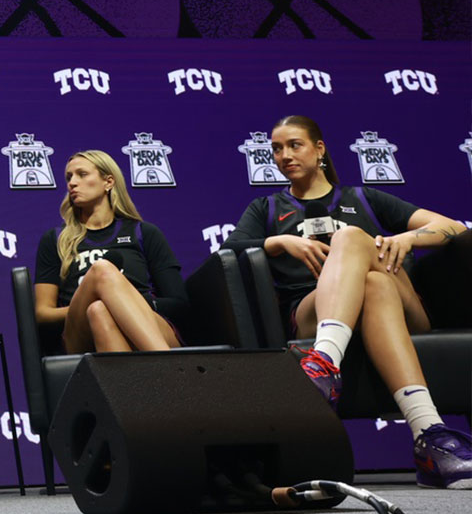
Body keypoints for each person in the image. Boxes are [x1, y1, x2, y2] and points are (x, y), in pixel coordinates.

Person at [224, 115, 471, 489]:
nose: (284, 155)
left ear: (319, 149)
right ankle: (430, 435)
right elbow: (230, 252)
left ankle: (324, 362)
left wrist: (409, 239)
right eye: (276, 148)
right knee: (374, 286)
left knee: (352, 239)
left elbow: (454, 227)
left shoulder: (363, 198)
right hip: (311, 309)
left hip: (408, 313)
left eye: (295, 145)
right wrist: (277, 242)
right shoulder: (267, 208)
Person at [33, 150, 184, 353]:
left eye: (82, 174)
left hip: (151, 323)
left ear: (108, 182)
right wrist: (98, 296)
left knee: (100, 310)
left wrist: (125, 301)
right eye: (69, 177)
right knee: (101, 273)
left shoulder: (143, 232)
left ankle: (148, 374)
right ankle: (172, 367)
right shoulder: (55, 239)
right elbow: (43, 313)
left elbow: (179, 303)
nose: (72, 183)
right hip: (80, 332)